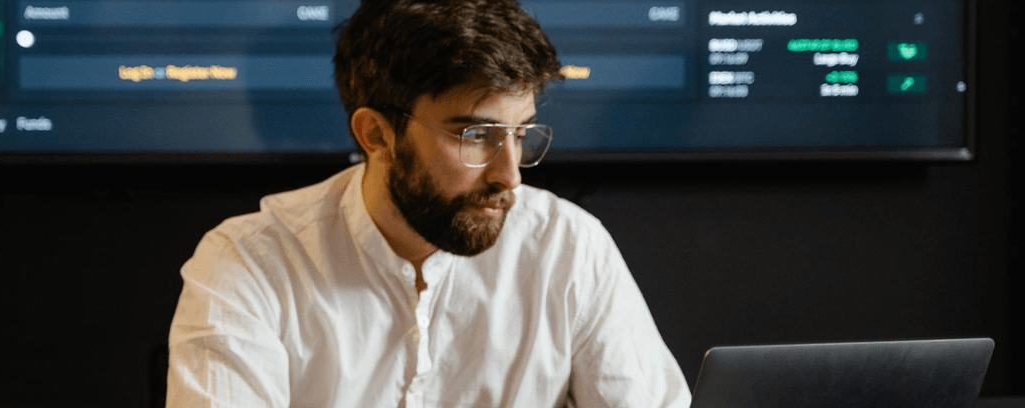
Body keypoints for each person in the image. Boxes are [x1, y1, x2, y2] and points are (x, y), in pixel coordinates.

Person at [165, 0, 691, 406]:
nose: (509, 175)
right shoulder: (248, 263)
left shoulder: (569, 246)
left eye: (521, 133)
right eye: (475, 135)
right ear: (376, 134)